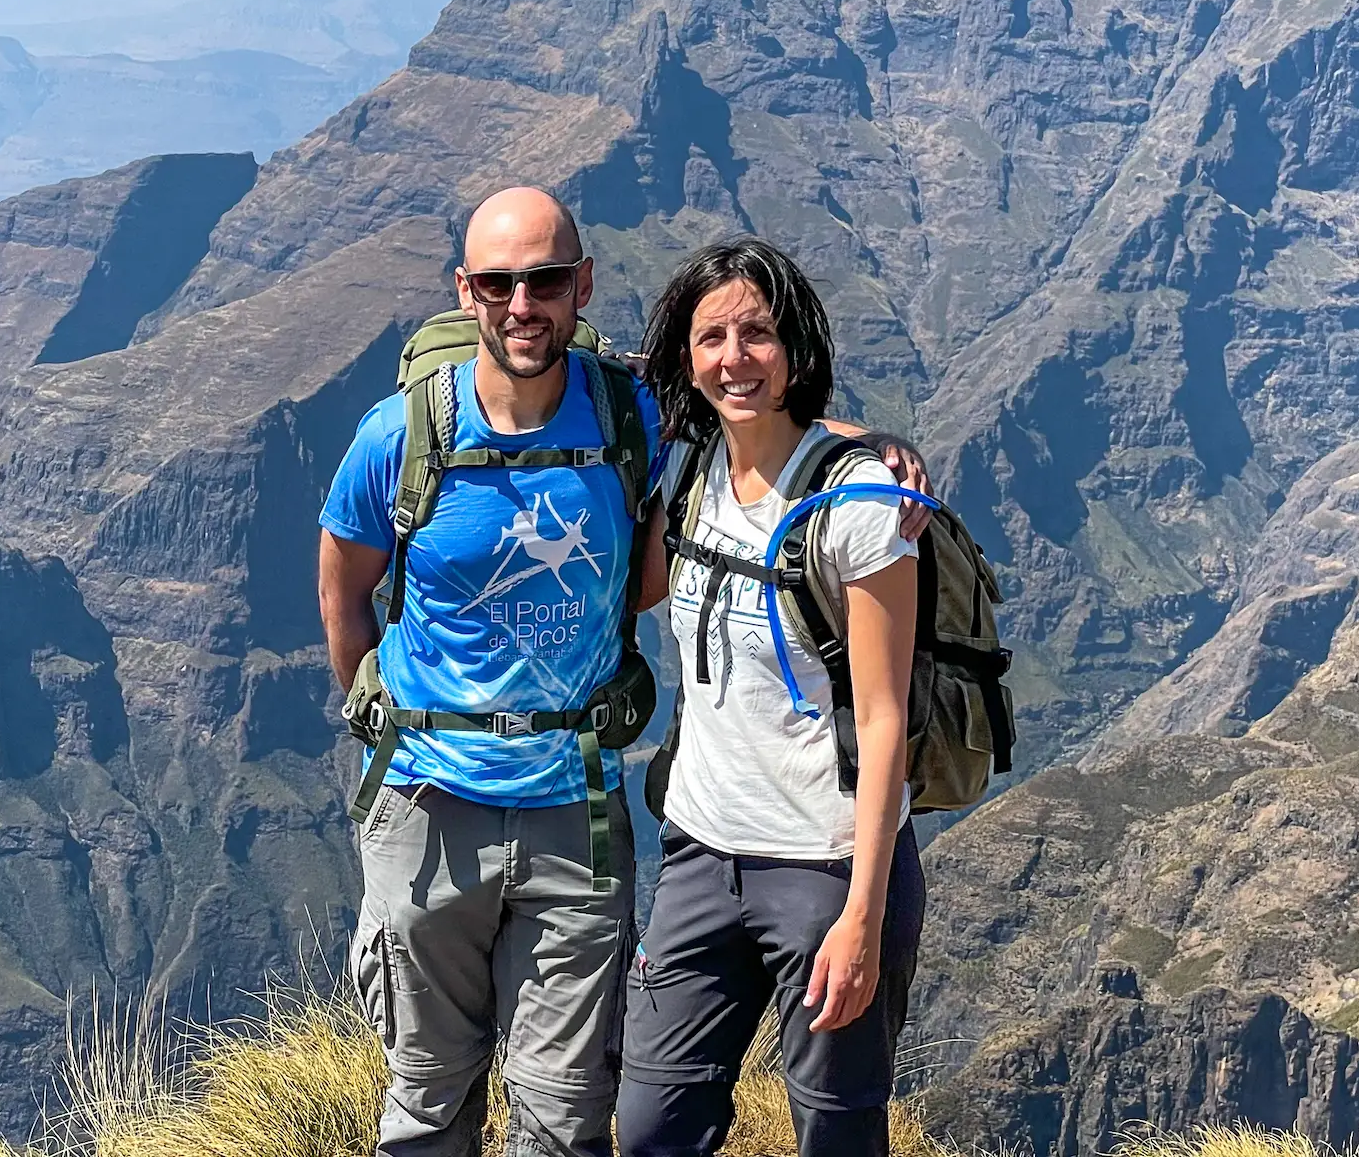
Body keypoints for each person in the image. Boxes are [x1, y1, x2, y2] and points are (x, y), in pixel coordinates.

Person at [317, 192, 925, 1157]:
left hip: (579, 814)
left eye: (548, 281)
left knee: (567, 1117)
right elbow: (344, 594)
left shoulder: (628, 415)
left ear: (581, 286)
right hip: (428, 804)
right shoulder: (398, 437)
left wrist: (874, 446)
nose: (525, 304)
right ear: (466, 292)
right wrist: (385, 731)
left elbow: (748, 401)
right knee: (428, 1097)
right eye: (501, 283)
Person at [619, 237, 924, 1157]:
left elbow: (884, 719)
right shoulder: (693, 468)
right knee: (651, 1129)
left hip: (824, 871)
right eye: (711, 337)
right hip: (699, 857)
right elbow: (640, 588)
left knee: (835, 1136)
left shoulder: (861, 508)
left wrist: (862, 919)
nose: (734, 358)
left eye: (758, 334)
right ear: (686, 354)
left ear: (796, 348)